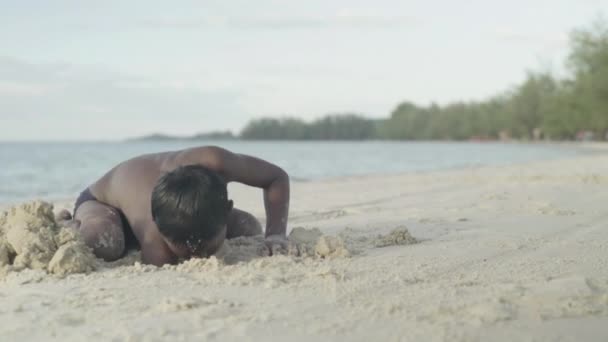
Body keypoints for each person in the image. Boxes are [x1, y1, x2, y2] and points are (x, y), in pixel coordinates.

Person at [56, 146, 290, 266]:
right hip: (102, 203)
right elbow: (158, 262)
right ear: (157, 223)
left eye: (204, 247)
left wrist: (276, 234)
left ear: (226, 209)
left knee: (249, 226)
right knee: (106, 241)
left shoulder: (217, 161)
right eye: (186, 249)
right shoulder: (153, 232)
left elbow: (276, 178)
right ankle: (67, 225)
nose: (196, 255)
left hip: (184, 206)